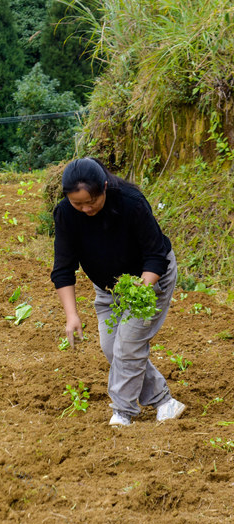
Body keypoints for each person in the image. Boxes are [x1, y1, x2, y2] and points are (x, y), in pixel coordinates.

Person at [51, 157, 185, 426]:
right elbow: (63, 268)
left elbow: (155, 255)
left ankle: (122, 412)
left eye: (91, 201)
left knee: (128, 346)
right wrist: (71, 316)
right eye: (78, 203)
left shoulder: (130, 202)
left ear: (104, 187)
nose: (86, 209)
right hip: (109, 288)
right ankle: (164, 402)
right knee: (112, 347)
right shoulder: (65, 214)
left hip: (150, 280)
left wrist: (140, 291)